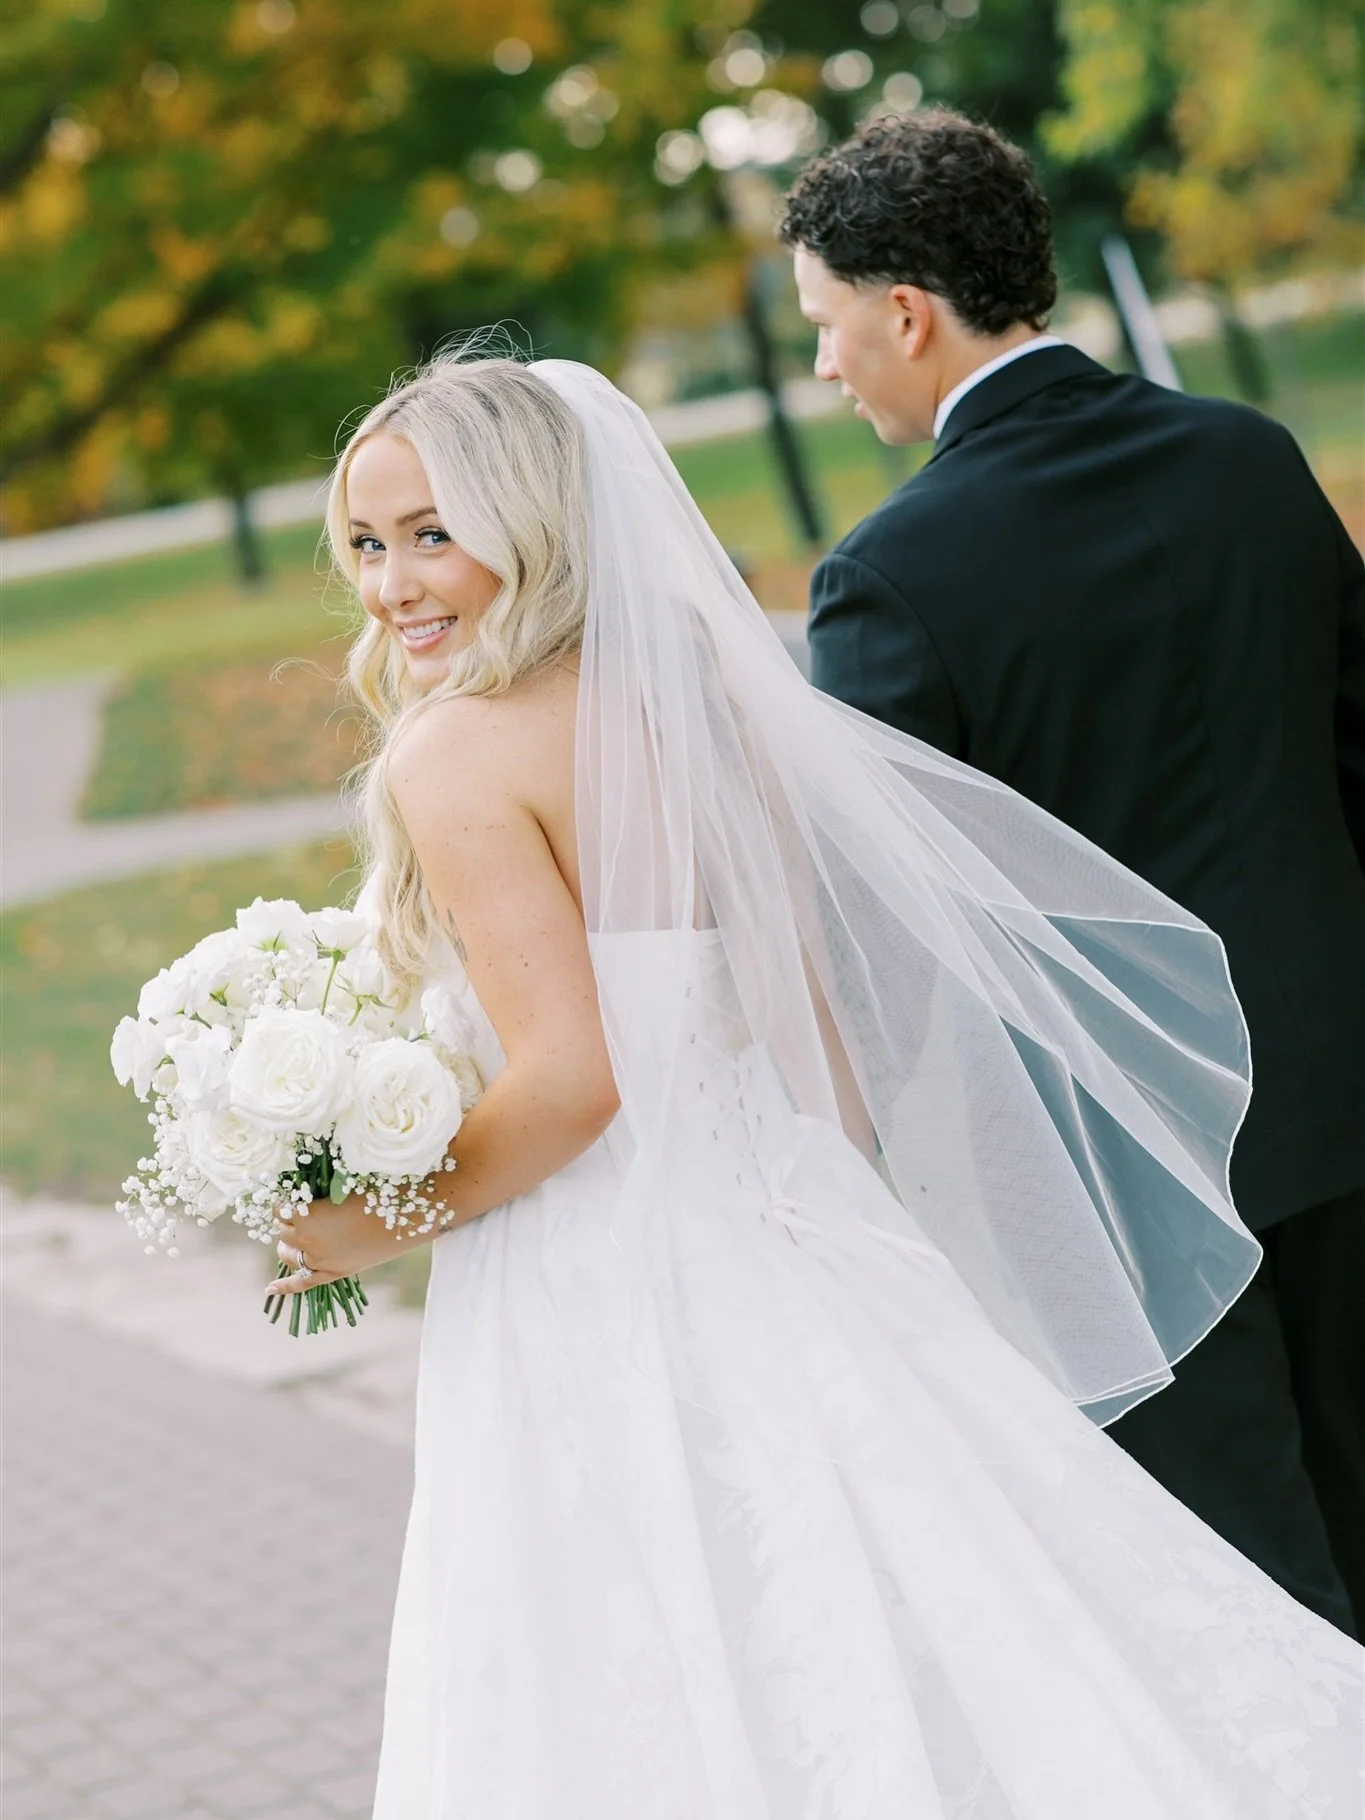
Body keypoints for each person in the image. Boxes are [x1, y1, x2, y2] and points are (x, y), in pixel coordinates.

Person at [269, 351, 1361, 1816]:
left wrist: (370, 1219)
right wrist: (849, 1224)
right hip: (793, 1224)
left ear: (529, 527)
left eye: (431, 534)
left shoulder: (457, 755)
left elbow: (574, 1084)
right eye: (364, 542)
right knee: (952, 1602)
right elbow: (815, 1037)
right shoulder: (699, 706)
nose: (392, 582)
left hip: (604, 1271)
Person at [782, 106, 1365, 1640]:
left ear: (905, 313)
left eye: (829, 328)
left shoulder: (893, 576)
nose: (826, 368)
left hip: (1129, 1171)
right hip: (1353, 1094)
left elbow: (878, 926)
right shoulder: (1249, 459)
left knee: (1251, 1602)